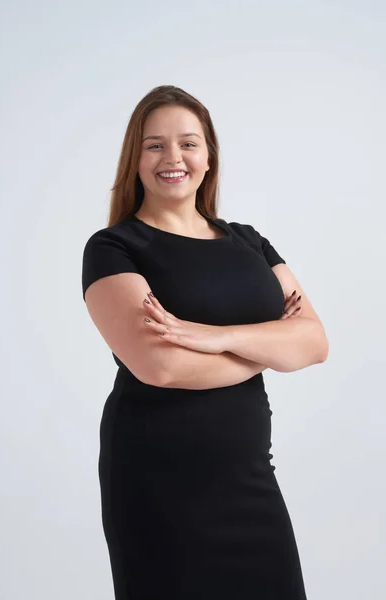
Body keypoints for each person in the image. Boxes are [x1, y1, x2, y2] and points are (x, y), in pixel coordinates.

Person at [82, 84, 329, 599]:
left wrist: (215, 338)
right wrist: (266, 350)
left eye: (188, 143)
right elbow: (162, 367)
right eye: (155, 145)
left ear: (209, 155)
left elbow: (313, 342)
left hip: (249, 478)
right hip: (157, 482)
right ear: (135, 158)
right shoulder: (114, 248)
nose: (173, 157)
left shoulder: (249, 241)